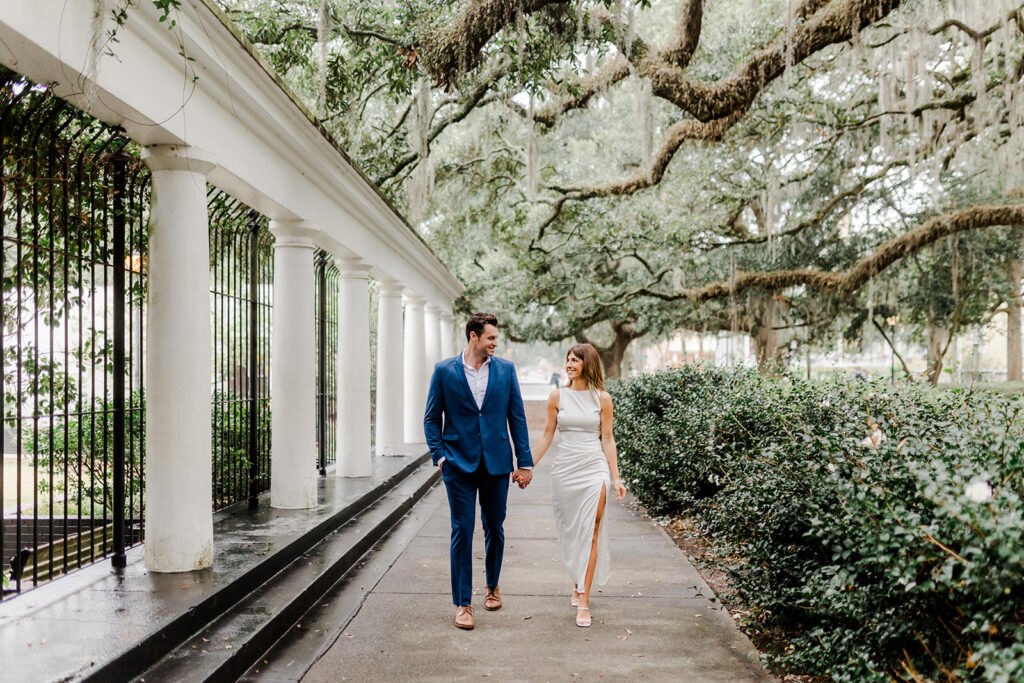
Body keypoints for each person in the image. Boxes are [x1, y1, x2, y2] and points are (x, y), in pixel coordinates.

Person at [423, 312, 534, 630]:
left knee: (494, 527)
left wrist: (524, 463)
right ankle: (462, 603)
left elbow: (517, 417)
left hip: (497, 462)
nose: (495, 342)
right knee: (462, 529)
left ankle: (492, 585)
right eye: (491, 338)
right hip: (457, 463)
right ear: (474, 336)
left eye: (496, 338)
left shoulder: (506, 370)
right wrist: (440, 458)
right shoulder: (444, 370)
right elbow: (431, 418)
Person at [529, 343, 626, 627]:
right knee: (572, 532)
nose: (569, 364)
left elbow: (607, 438)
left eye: (575, 360)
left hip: (594, 469)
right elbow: (547, 436)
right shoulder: (557, 396)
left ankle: (584, 599)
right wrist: (526, 466)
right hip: (565, 471)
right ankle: (577, 579)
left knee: (591, 530)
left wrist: (616, 477)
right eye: (568, 359)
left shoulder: (603, 399)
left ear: (588, 364)